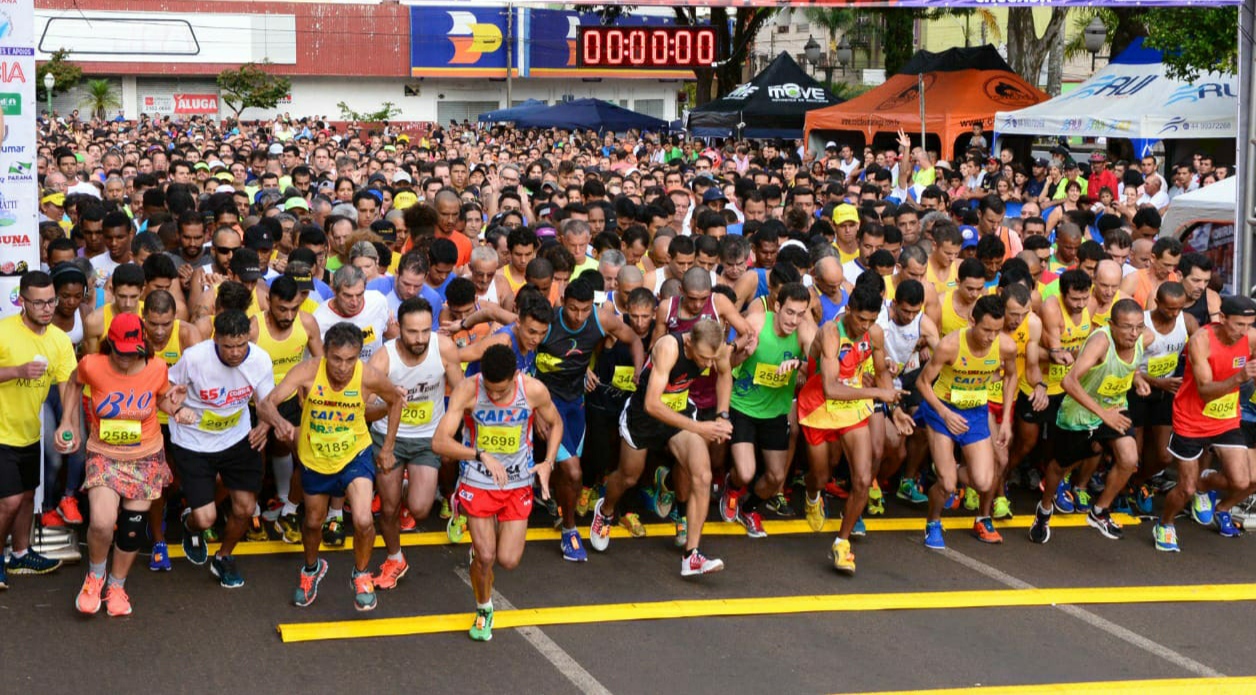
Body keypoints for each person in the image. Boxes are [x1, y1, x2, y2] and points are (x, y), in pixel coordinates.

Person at [261, 322, 405, 611]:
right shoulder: (308, 372)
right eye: (336, 359)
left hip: (355, 453)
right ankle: (311, 570)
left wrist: (387, 447)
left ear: (358, 357)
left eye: (350, 359)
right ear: (325, 353)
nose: (342, 367)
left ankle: (361, 574)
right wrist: (281, 423)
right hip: (315, 456)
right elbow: (267, 403)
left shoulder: (368, 376)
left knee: (364, 519)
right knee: (313, 522)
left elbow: (396, 400)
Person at [55, 313, 187, 615]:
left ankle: (117, 586)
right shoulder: (92, 364)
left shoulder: (156, 367)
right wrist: (68, 423)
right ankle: (95, 577)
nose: (127, 359)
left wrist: (177, 408)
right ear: (109, 345)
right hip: (105, 453)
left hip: (144, 455)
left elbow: (162, 400)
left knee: (131, 529)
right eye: (121, 353)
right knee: (101, 523)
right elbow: (74, 384)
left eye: (134, 353)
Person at [432, 343, 561, 641]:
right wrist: (479, 455)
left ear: (516, 376)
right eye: (490, 390)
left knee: (508, 560)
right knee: (486, 556)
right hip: (478, 479)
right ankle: (483, 608)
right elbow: (439, 442)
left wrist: (548, 463)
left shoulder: (533, 390)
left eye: (501, 392)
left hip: (517, 483)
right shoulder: (468, 389)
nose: (494, 396)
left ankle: (479, 550)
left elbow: (556, 423)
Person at [590, 319, 732, 577]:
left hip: (679, 412)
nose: (709, 365)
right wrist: (701, 428)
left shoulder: (713, 346)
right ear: (689, 343)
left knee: (703, 475)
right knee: (629, 476)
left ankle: (692, 555)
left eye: (713, 358)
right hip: (644, 418)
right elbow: (652, 405)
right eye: (704, 359)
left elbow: (724, 373)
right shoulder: (669, 347)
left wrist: (722, 414)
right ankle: (606, 510)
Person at [796, 285, 906, 574]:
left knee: (862, 477)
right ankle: (812, 495)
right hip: (819, 406)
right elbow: (831, 389)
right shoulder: (831, 333)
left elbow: (881, 373)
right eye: (860, 320)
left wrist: (895, 409)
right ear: (848, 311)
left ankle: (842, 543)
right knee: (821, 475)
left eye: (871, 320)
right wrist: (878, 395)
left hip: (853, 407)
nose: (865, 327)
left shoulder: (875, 334)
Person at [167, 310, 277, 587]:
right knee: (205, 519)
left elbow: (266, 401)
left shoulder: (260, 359)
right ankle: (190, 525)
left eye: (241, 345)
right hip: (193, 441)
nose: (236, 352)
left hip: (236, 438)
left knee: (245, 507)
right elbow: (165, 389)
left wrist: (266, 425)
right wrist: (177, 406)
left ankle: (224, 557)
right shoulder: (195, 358)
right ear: (216, 339)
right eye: (228, 346)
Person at [536, 278, 643, 560]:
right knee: (573, 471)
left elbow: (633, 339)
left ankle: (561, 510)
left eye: (585, 310)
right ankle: (570, 531)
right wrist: (532, 406)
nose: (579, 316)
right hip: (547, 404)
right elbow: (521, 351)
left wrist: (639, 370)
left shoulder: (601, 319)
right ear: (562, 304)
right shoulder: (546, 323)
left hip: (575, 404)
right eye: (573, 309)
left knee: (568, 471)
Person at [1030, 299, 1151, 544]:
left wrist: (1137, 377)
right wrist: (1102, 414)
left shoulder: (1144, 339)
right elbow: (1069, 382)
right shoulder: (1100, 343)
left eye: (1139, 326)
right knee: (1059, 468)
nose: (1134, 333)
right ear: (1111, 325)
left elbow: (1130, 365)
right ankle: (1044, 510)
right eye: (1127, 327)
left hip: (1115, 409)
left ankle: (1099, 511)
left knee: (1129, 459)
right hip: (1079, 415)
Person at [366, 298, 463, 589]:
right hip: (388, 438)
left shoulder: (443, 347)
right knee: (389, 508)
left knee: (420, 509)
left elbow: (460, 393)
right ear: (399, 327)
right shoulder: (383, 359)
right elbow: (365, 410)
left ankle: (410, 483)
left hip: (426, 438)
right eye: (411, 332)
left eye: (424, 331)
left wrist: (449, 431)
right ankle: (395, 558)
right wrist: (391, 402)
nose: (419, 339)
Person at [916, 295, 1017, 548]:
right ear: (972, 320)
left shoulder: (1005, 346)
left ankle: (977, 513)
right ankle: (933, 522)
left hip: (975, 412)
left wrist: (1005, 421)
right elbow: (923, 383)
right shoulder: (950, 345)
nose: (991, 337)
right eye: (986, 330)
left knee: (984, 481)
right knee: (947, 484)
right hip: (943, 411)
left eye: (997, 330)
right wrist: (945, 413)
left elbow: (1011, 377)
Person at [1157, 296, 1256, 551]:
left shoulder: (1251, 338)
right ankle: (1166, 524)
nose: (1244, 331)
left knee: (1243, 482)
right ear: (1222, 319)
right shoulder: (1201, 341)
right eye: (1238, 325)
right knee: (1185, 488)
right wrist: (1239, 378)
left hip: (1225, 419)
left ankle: (1206, 483)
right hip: (1190, 420)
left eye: (1250, 324)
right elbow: (1204, 391)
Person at [721, 283, 817, 537]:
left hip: (775, 412)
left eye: (800, 313)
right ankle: (731, 488)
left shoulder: (805, 331)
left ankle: (748, 508)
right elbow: (724, 363)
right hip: (742, 406)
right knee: (745, 472)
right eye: (789, 312)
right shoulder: (755, 323)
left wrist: (800, 364)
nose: (794, 320)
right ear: (777, 307)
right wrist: (741, 356)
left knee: (775, 478)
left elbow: (820, 368)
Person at [0, 271, 77, 586]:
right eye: (39, 303)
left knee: (28, 495)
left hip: (29, 432)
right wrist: (17, 371)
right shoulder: (4, 332)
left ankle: (20, 555)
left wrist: (67, 422)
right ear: (22, 301)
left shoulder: (58, 340)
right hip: (1, 433)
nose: (47, 308)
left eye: (51, 301)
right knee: (9, 501)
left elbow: (69, 384)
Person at [250, 275, 324, 542]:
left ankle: (286, 504)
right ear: (268, 301)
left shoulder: (306, 323)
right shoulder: (254, 328)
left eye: (294, 308)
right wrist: (266, 417)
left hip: (292, 400)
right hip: (255, 403)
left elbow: (320, 365)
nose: (289, 314)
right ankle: (253, 510)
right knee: (255, 455)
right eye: (282, 308)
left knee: (299, 450)